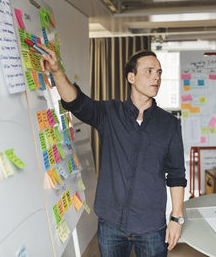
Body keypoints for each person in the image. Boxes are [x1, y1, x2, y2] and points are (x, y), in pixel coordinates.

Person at [36, 45, 187, 256]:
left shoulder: (169, 124)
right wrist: (56, 71)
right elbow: (76, 102)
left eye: (159, 72)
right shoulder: (109, 113)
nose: (156, 78)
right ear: (131, 78)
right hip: (111, 223)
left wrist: (176, 218)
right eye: (149, 71)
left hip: (151, 225)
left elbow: (177, 174)